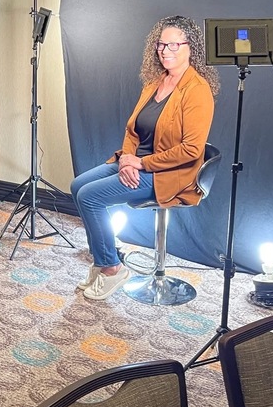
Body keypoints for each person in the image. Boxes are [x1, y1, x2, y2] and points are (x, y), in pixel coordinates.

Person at [70, 15, 220, 301]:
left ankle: (112, 268)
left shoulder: (197, 91)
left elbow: (191, 150)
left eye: (174, 45)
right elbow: (133, 128)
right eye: (162, 44)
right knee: (78, 186)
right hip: (136, 162)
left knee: (90, 197)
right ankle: (103, 261)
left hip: (169, 173)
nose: (166, 51)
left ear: (192, 48)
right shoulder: (155, 83)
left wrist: (141, 163)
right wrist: (127, 157)